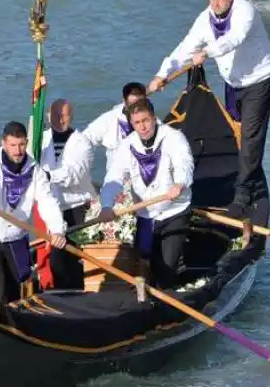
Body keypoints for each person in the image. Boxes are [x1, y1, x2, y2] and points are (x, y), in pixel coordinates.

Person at [148, 0, 270, 220]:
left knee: (250, 135)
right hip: (233, 83)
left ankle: (242, 194)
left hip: (259, 79)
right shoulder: (204, 20)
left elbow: (233, 39)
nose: (216, 3)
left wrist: (207, 52)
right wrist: (161, 74)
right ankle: (247, 172)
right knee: (236, 132)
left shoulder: (245, 11)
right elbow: (184, 48)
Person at [0, 120, 67, 304]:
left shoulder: (34, 169)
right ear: (3, 144)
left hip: (16, 234)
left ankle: (16, 325)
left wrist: (57, 229)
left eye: (21, 145)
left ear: (26, 143)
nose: (17, 151)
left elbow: (47, 201)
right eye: (13, 145)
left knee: (18, 286)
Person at [97, 98, 194, 288]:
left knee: (166, 265)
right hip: (146, 214)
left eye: (146, 120)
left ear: (153, 117)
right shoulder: (127, 145)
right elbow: (114, 178)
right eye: (137, 123)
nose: (142, 127)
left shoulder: (173, 137)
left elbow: (185, 164)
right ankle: (147, 301)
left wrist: (180, 183)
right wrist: (106, 205)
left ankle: (168, 301)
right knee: (143, 260)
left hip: (174, 210)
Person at [40, 99, 96, 290]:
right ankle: (61, 295)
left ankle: (78, 296)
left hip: (78, 208)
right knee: (55, 261)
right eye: (56, 114)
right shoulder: (39, 140)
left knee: (71, 260)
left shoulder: (82, 143)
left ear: (71, 117)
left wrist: (47, 175)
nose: (60, 119)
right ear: (48, 116)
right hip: (51, 209)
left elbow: (74, 175)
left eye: (64, 115)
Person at [82, 82, 154, 168]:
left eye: (140, 104)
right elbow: (84, 140)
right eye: (133, 104)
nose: (136, 108)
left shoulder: (153, 122)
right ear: (124, 101)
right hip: (117, 176)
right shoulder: (109, 119)